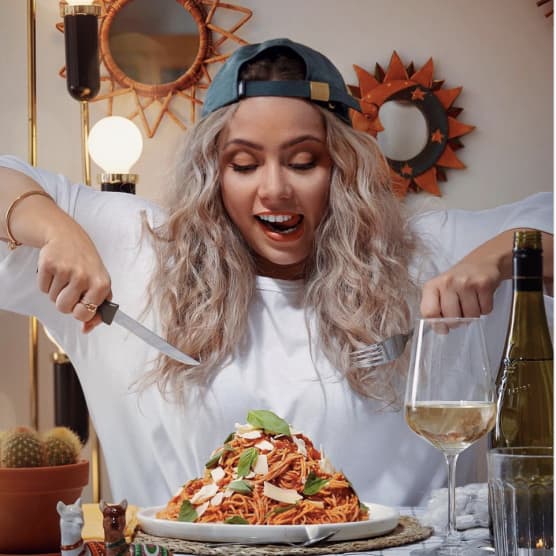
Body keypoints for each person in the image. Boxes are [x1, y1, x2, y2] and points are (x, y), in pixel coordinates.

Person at [0, 38, 552, 508]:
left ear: (345, 168)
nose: (275, 189)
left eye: (303, 161)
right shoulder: (138, 247)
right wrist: (50, 226)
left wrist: (510, 252)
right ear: (210, 172)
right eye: (243, 164)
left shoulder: (426, 252)